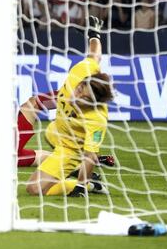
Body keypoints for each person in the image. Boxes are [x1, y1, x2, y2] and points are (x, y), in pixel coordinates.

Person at [26, 16, 114, 197]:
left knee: (34, 189)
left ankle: (91, 184)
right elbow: (94, 55)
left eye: (84, 97)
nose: (77, 95)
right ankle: (75, 168)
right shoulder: (81, 70)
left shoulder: (97, 118)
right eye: (81, 88)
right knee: (49, 133)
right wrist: (94, 34)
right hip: (57, 131)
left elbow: (90, 155)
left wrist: (81, 186)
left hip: (72, 148)